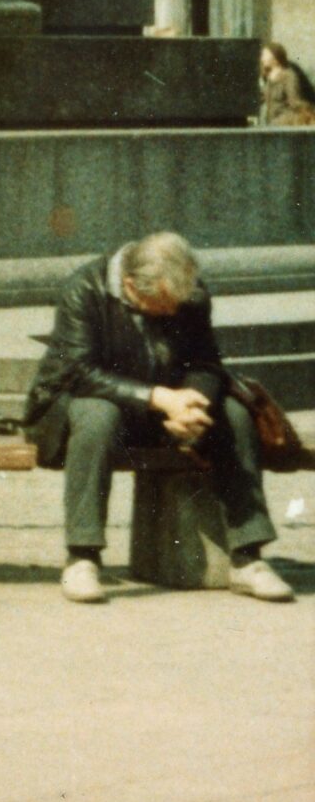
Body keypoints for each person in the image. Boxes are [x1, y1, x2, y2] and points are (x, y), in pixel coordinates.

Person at [22, 231, 295, 606]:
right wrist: (159, 398)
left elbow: (205, 362)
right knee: (97, 415)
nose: (171, 313)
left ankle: (248, 558)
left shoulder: (188, 293)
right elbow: (79, 372)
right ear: (131, 286)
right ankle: (82, 558)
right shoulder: (84, 289)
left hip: (164, 407)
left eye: (176, 305)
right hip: (84, 404)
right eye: (162, 305)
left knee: (235, 414)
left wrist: (193, 405)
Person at [258, 42, 315, 126]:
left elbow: (294, 101)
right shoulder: (268, 78)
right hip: (271, 120)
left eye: (265, 55)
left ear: (275, 58)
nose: (262, 59)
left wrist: (308, 109)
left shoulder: (288, 75)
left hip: (284, 120)